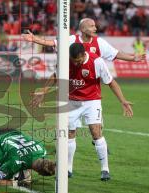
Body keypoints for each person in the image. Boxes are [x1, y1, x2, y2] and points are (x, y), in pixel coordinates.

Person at [32, 43, 133, 181]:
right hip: (71, 101)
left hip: (92, 101)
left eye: (78, 61)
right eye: (73, 61)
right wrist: (43, 92)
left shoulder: (97, 62)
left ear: (84, 54)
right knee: (70, 134)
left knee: (96, 132)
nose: (76, 63)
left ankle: (105, 169)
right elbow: (55, 76)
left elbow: (111, 82)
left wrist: (123, 100)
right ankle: (68, 169)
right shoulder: (65, 61)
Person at [22, 18, 145, 62]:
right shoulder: (72, 39)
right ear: (82, 28)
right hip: (71, 86)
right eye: (91, 26)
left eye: (95, 26)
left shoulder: (99, 42)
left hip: (91, 91)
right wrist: (34, 39)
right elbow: (51, 43)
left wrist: (133, 58)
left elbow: (116, 54)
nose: (95, 28)